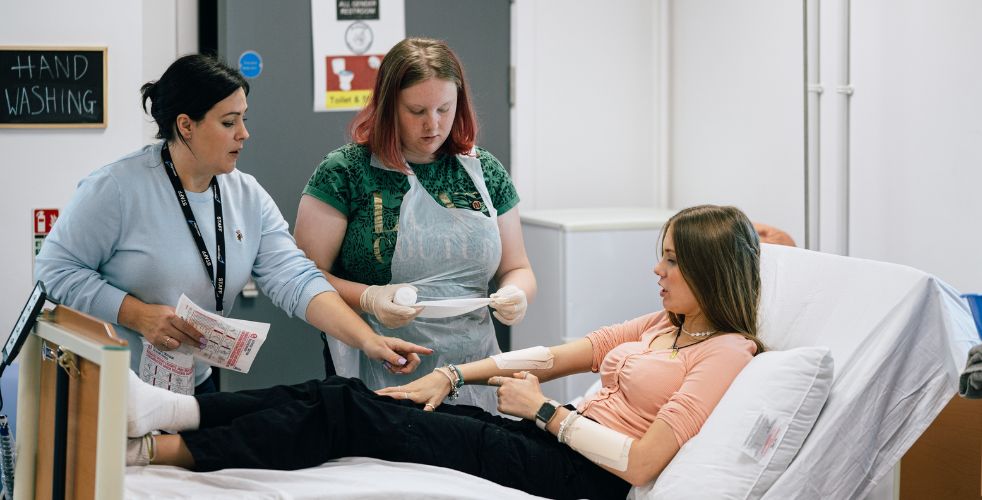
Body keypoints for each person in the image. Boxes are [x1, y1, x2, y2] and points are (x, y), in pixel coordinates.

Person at [125, 204, 765, 500]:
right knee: (347, 396)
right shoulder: (667, 321)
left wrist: (546, 415)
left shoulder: (727, 351)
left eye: (673, 260)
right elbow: (554, 356)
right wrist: (455, 375)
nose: (657, 269)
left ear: (710, 270)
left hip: (580, 476)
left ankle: (159, 447)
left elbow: (642, 465)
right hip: (553, 440)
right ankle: (170, 416)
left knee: (354, 416)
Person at [34, 54, 431, 395]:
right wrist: (137, 315)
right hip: (111, 384)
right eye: (228, 122)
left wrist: (369, 341)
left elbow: (296, 278)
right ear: (186, 125)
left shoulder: (246, 195)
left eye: (243, 118)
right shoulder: (117, 188)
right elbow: (53, 272)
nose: (244, 133)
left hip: (195, 382)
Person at [293, 37, 536, 410]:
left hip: (472, 368)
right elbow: (302, 276)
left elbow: (518, 267)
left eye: (444, 108)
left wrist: (517, 293)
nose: (433, 124)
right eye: (416, 110)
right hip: (383, 365)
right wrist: (369, 298)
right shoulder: (344, 173)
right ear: (388, 107)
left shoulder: (483, 170)